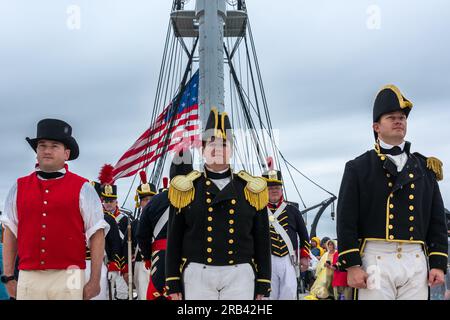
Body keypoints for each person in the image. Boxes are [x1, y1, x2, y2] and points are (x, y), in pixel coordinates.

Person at [337, 85, 448, 300]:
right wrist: (351, 265)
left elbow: (437, 221)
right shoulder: (358, 167)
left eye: (402, 118)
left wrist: (438, 263)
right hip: (376, 260)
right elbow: (346, 219)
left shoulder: (425, 168)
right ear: (376, 127)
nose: (399, 121)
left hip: (415, 260)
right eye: (391, 117)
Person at [165, 108, 271, 300]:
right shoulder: (186, 188)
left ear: (231, 150)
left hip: (240, 274)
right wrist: (172, 281)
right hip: (197, 274)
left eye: (224, 144)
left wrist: (264, 282)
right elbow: (174, 238)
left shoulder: (251, 188)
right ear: (202, 150)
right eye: (211, 143)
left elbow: (262, 238)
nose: (218, 149)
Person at [0, 118, 109, 300]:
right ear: (36, 151)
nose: (47, 151)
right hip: (28, 274)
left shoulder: (84, 188)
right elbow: (10, 232)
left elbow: (97, 235)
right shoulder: (18, 187)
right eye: (42, 145)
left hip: (71, 274)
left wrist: (94, 280)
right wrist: (9, 277)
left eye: (54, 146)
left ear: (66, 153)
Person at [137, 149, 193, 300]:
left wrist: (148, 257)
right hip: (192, 257)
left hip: (161, 258)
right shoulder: (199, 196)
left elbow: (142, 234)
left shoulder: (155, 201)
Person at [262, 162, 310, 300]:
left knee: (289, 293)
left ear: (281, 189)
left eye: (277, 187)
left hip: (289, 259)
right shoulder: (258, 211)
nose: (274, 190)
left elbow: (304, 235)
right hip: (267, 258)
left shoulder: (292, 210)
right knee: (268, 295)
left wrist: (305, 257)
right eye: (270, 188)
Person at [121, 171, 156, 300]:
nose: (147, 202)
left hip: (159, 264)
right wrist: (125, 269)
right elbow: (126, 247)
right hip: (141, 265)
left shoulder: (163, 221)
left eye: (151, 199)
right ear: (140, 203)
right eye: (145, 200)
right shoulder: (134, 224)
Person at [98, 165, 129, 300]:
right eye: (106, 201)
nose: (109, 204)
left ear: (116, 201)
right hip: (104, 260)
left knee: (122, 293)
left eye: (111, 201)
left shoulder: (125, 219)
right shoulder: (98, 218)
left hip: (122, 261)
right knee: (104, 292)